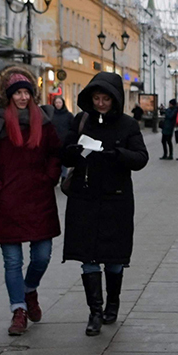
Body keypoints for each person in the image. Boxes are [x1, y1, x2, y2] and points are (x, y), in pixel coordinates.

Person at [0, 66, 62, 336]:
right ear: (8, 96)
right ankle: (18, 310)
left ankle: (29, 289)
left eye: (26, 93)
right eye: (17, 93)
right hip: (7, 203)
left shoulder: (44, 123)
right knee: (12, 261)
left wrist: (49, 179)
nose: (22, 98)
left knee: (42, 256)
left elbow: (56, 155)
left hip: (39, 200)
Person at [62, 72, 149, 336]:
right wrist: (74, 152)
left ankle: (113, 303)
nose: (101, 103)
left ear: (115, 100)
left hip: (116, 200)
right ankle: (95, 312)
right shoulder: (81, 121)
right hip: (84, 199)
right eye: (97, 98)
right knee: (87, 257)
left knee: (113, 259)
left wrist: (118, 154)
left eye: (106, 99)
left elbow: (141, 158)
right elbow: (63, 152)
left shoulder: (128, 125)